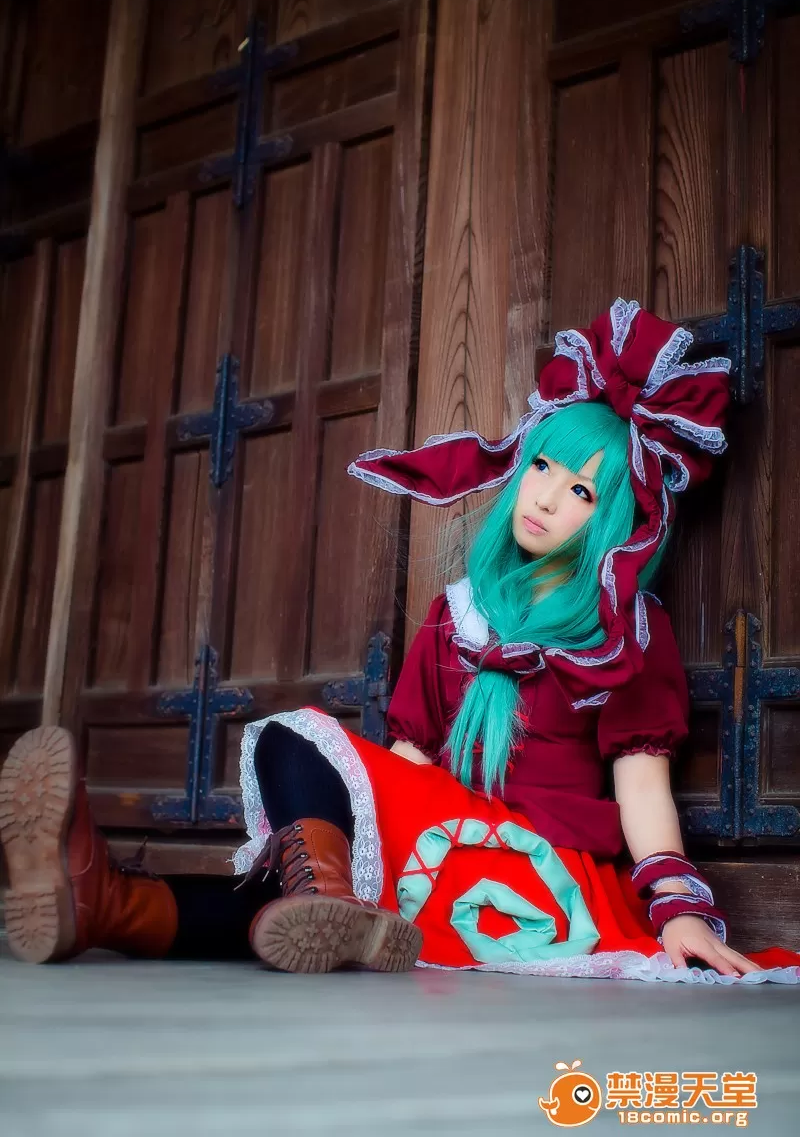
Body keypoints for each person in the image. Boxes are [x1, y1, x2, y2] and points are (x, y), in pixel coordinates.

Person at [2, 300, 799, 983]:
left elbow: (642, 789)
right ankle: (109, 904)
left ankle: (250, 900)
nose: (548, 498)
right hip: (444, 847)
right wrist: (374, 829)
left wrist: (677, 909)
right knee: (289, 761)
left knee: (300, 771)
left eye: (583, 490)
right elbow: (411, 762)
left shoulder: (622, 632)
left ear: (616, 518)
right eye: (542, 467)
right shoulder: (458, 614)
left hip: (538, 873)